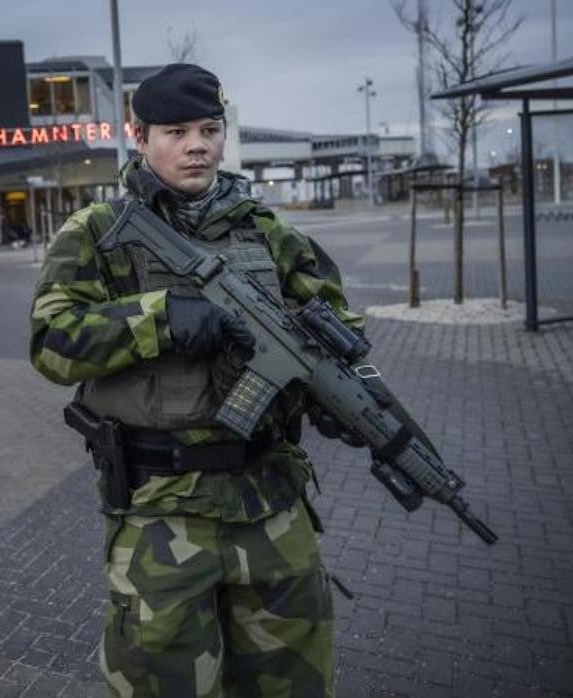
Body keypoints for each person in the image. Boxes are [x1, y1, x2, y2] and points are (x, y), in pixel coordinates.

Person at [29, 63, 364, 697]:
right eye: (176, 131)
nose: (197, 145)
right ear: (139, 135)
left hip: (272, 506)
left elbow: (334, 319)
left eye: (210, 129)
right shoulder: (97, 235)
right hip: (162, 515)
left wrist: (333, 391)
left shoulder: (269, 232)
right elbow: (51, 345)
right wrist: (157, 319)